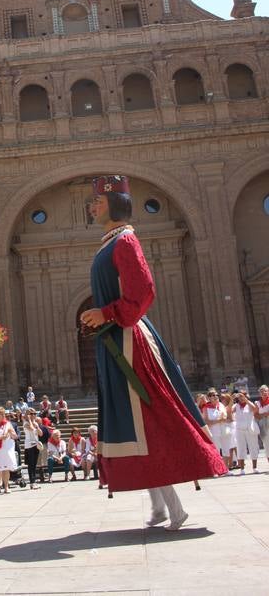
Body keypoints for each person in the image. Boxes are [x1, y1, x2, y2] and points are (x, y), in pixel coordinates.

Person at [80, 175, 226, 531]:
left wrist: (107, 314)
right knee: (135, 425)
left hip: (130, 343)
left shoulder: (126, 241)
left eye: (98, 201)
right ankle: (160, 507)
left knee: (147, 418)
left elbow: (143, 292)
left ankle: (175, 508)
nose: (93, 206)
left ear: (114, 204)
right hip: (115, 340)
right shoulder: (111, 242)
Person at [0, 407, 18, 494]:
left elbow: (15, 436)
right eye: (1, 414)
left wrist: (10, 432)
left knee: (6, 469)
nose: (3, 416)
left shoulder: (8, 424)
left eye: (4, 414)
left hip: (6, 450)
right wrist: (2, 437)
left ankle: (6, 487)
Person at [203, 391, 230, 473]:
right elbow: (207, 422)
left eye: (216, 395)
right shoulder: (206, 407)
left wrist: (219, 420)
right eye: (213, 395)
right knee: (216, 451)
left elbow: (225, 417)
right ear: (209, 398)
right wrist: (219, 420)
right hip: (214, 432)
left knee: (226, 449)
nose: (215, 396)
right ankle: (217, 470)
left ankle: (226, 469)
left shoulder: (221, 405)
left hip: (224, 430)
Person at [233, 391, 260, 474]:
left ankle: (254, 468)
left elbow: (255, 409)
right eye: (240, 396)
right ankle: (242, 469)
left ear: (246, 396)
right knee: (241, 448)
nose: (241, 398)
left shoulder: (250, 404)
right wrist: (231, 399)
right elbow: (229, 411)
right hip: (240, 430)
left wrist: (246, 400)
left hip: (250, 429)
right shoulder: (236, 406)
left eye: (243, 396)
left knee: (253, 447)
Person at [22, 409, 42, 490]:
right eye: (32, 414)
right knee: (31, 464)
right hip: (29, 445)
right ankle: (32, 482)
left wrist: (36, 426)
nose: (34, 415)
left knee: (34, 464)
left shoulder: (36, 423)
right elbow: (31, 428)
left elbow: (40, 433)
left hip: (36, 445)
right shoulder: (25, 423)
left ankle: (33, 481)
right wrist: (30, 420)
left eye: (35, 413)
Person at [255, 385, 269, 466]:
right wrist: (264, 414)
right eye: (262, 391)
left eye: (266, 391)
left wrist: (263, 414)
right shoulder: (257, 403)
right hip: (263, 427)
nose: (264, 392)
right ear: (259, 393)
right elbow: (256, 415)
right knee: (267, 446)